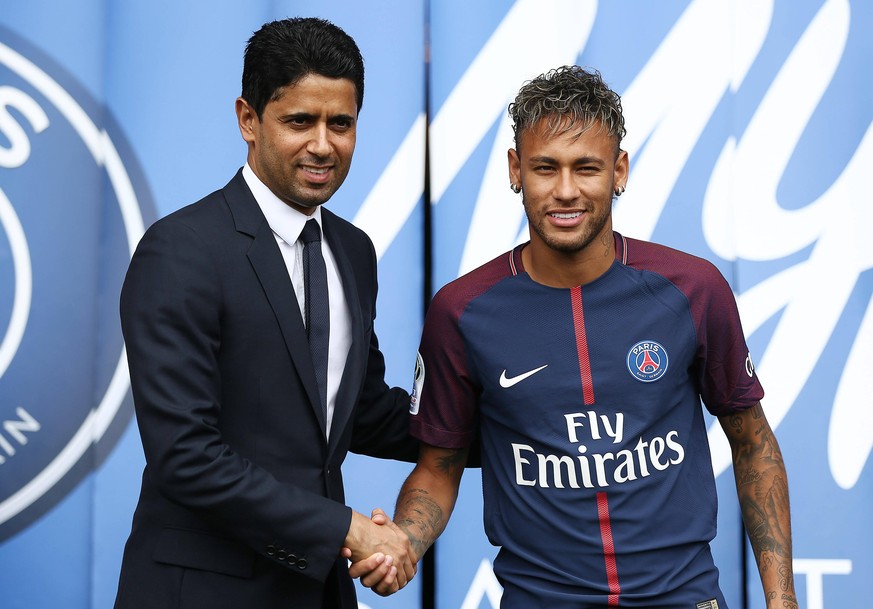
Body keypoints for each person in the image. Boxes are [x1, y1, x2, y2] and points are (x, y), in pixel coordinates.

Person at [354, 65, 798, 608]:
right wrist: (405, 541)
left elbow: (753, 444)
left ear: (620, 171)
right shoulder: (462, 311)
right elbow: (438, 468)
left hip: (683, 597)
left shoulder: (692, 289)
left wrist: (781, 600)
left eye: (586, 167)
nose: (566, 191)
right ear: (516, 170)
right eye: (546, 168)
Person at [114, 17, 417, 609]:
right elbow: (186, 456)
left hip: (320, 592)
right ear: (248, 119)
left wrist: (504, 427)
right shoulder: (181, 250)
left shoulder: (353, 250)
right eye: (300, 121)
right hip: (200, 593)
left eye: (341, 123)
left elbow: (361, 413)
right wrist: (346, 528)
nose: (323, 145)